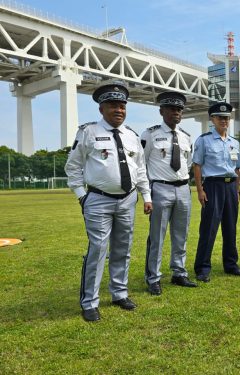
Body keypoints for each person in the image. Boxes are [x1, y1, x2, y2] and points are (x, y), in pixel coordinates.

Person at [65, 83, 152, 322]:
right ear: (102, 108)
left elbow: (140, 169)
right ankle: (90, 302)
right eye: (113, 105)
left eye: (122, 105)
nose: (119, 110)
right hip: (98, 200)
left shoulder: (132, 136)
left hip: (127, 200)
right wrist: (81, 195)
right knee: (98, 250)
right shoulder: (88, 132)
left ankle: (119, 293)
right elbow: (72, 166)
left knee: (123, 249)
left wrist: (146, 196)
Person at [141, 91, 197, 295]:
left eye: (179, 109)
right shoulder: (150, 134)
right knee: (157, 236)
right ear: (161, 111)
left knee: (181, 234)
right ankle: (153, 278)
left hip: (183, 188)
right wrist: (146, 194)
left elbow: (188, 164)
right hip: (160, 188)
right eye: (172, 108)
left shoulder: (186, 137)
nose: (176, 112)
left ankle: (179, 273)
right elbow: (142, 163)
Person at [192, 102, 240, 282]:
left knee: (230, 227)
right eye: (220, 117)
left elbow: (237, 168)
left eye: (226, 118)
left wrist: (237, 190)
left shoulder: (234, 143)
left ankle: (231, 264)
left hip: (231, 186)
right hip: (213, 186)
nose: (224, 120)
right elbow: (197, 165)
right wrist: (200, 190)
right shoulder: (203, 140)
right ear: (212, 119)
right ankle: (203, 267)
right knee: (209, 228)